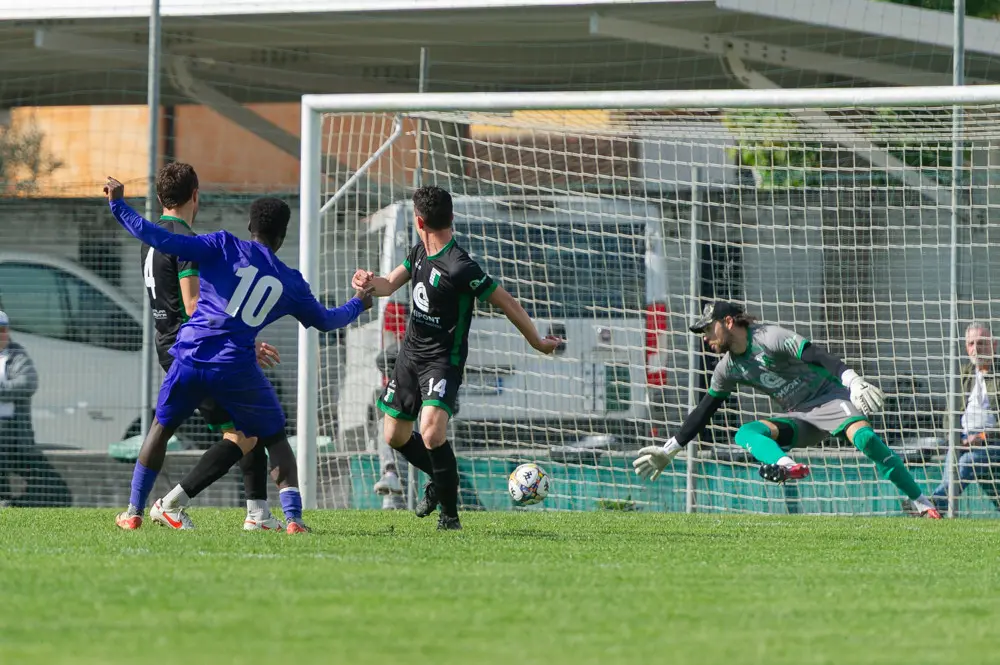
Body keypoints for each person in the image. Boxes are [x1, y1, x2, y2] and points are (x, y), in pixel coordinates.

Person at [105, 177, 371, 531]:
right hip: (234, 364)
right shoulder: (291, 282)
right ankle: (292, 519)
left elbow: (162, 239)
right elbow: (327, 320)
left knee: (161, 429)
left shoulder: (223, 244)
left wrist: (118, 206)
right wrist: (360, 303)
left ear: (249, 226)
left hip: (188, 355)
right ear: (283, 235)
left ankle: (134, 513)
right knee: (272, 435)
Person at [353, 185, 561, 530]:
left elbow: (507, 302)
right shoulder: (420, 252)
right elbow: (389, 284)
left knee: (432, 432)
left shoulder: (460, 266)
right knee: (394, 435)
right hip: (409, 355)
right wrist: (366, 281)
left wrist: (536, 341)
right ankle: (441, 477)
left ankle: (449, 517)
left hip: (442, 360)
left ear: (419, 221)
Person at [632, 301, 942, 519]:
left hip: (831, 398)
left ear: (728, 322)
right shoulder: (727, 369)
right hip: (799, 416)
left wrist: (853, 380)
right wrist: (669, 450)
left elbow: (819, 356)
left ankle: (922, 503)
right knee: (746, 432)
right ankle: (786, 465)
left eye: (708, 330)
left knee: (866, 441)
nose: (706, 338)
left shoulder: (770, 337)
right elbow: (704, 410)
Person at [116, 162, 289, 532]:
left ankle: (134, 511)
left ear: (161, 197)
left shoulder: (152, 239)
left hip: (168, 343)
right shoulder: (186, 242)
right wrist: (244, 339)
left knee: (166, 428)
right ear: (196, 194)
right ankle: (174, 504)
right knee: (246, 432)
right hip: (197, 349)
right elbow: (193, 304)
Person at [927, 321, 1000, 514]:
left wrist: (982, 437)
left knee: (968, 461)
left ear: (994, 345)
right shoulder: (963, 374)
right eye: (971, 344)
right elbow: (949, 415)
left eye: (981, 343)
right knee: (958, 455)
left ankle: (933, 505)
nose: (976, 348)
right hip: (964, 441)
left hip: (993, 443)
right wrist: (956, 439)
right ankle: (938, 509)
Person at [0, 310, 71, 507]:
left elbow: (27, 383)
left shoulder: (16, 354)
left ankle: (12, 505)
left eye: (3, 329)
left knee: (58, 491)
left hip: (15, 437)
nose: (1, 334)